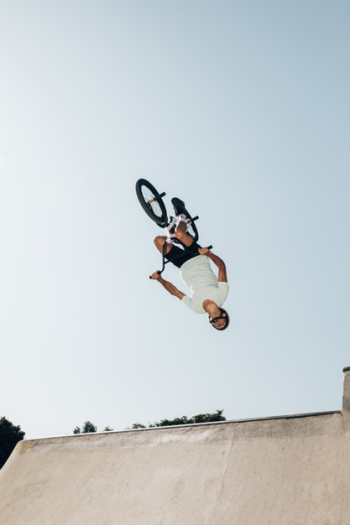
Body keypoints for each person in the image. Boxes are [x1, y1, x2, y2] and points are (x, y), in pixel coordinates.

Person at [150, 200, 229, 330]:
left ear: (211, 322)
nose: (219, 325)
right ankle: (182, 215)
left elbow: (176, 292)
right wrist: (209, 254)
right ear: (224, 315)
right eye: (222, 324)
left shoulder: (197, 309)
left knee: (158, 241)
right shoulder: (222, 296)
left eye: (217, 327)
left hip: (182, 264)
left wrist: (159, 279)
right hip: (198, 257)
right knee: (180, 233)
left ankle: (175, 238)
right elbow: (222, 267)